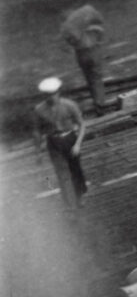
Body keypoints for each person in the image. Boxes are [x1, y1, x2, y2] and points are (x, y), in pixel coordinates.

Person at [33, 77, 88, 210]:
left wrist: (77, 145)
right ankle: (69, 205)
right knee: (61, 174)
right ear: (44, 96)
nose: (51, 97)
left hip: (70, 139)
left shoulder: (69, 105)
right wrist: (38, 152)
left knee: (76, 171)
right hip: (53, 142)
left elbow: (82, 124)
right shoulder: (39, 110)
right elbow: (37, 131)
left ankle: (79, 196)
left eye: (53, 94)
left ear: (59, 93)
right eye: (48, 95)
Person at [59, 4, 110, 113]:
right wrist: (99, 42)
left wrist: (74, 44)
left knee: (89, 79)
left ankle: (96, 102)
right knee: (97, 78)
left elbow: (65, 47)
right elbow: (101, 30)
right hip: (93, 51)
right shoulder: (89, 26)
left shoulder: (68, 30)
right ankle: (100, 104)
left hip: (81, 54)